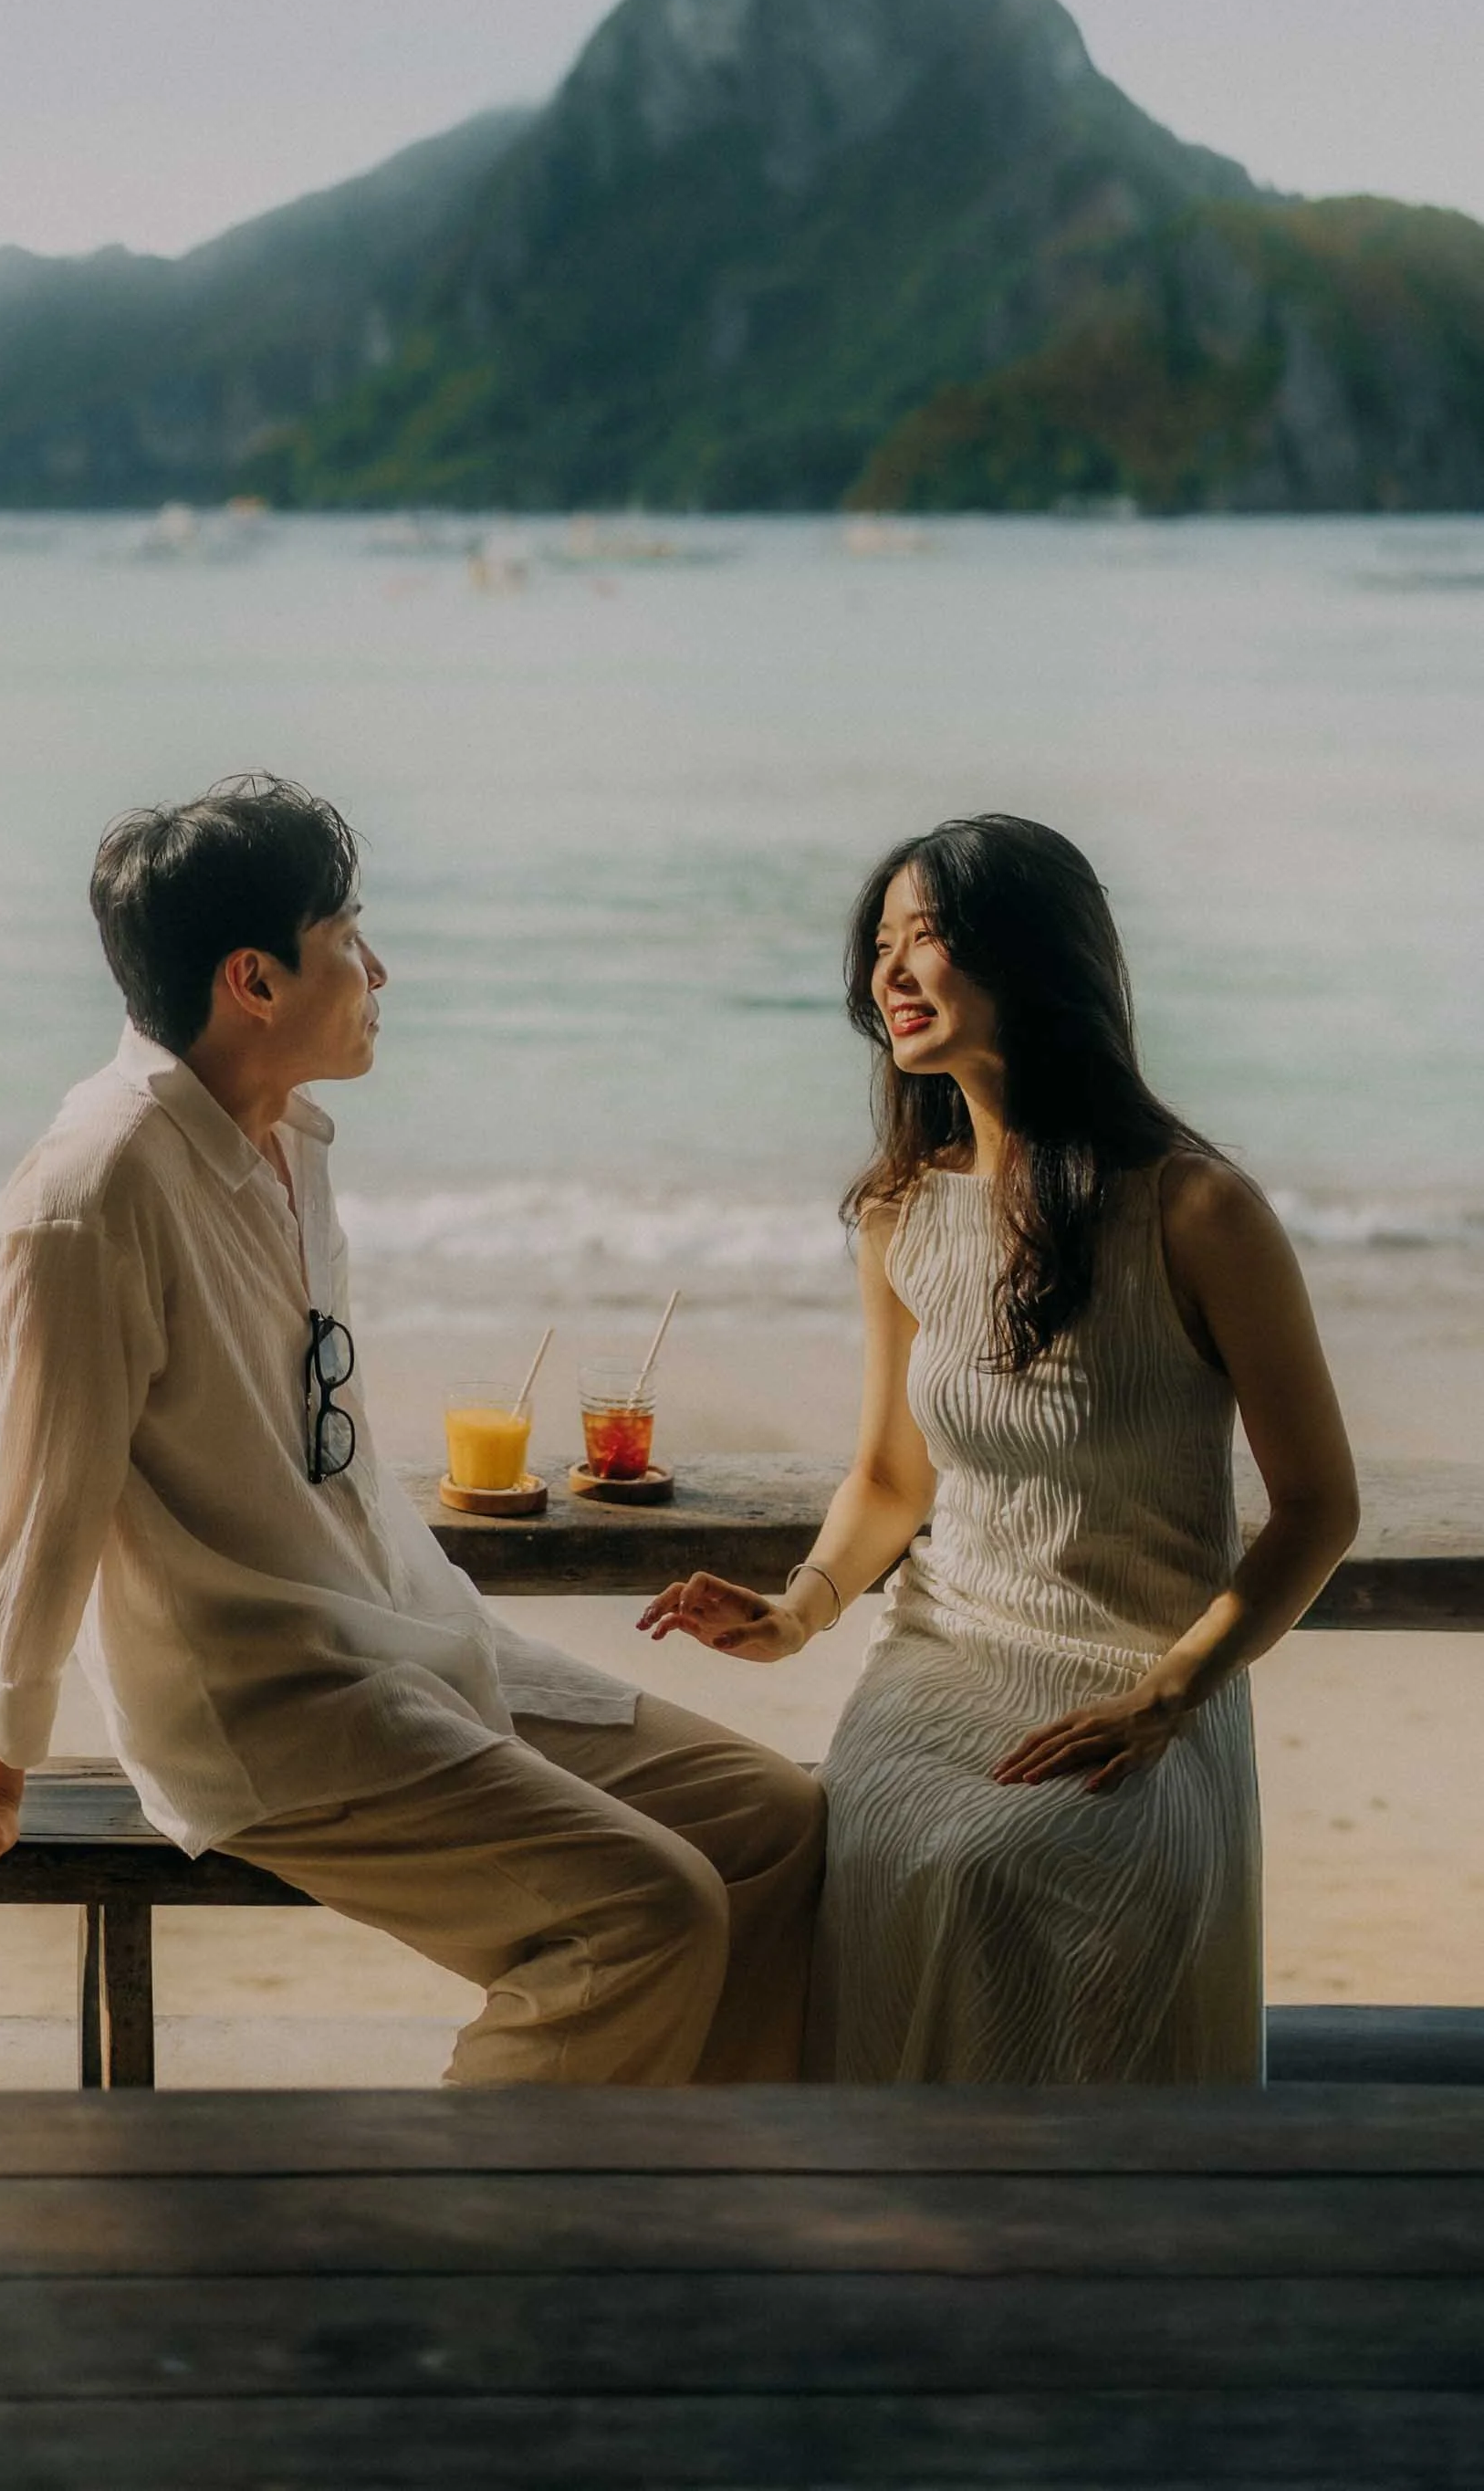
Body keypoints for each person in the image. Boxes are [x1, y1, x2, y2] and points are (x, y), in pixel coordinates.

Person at [0, 776, 823, 2084]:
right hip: (265, 1700)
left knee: (775, 1823)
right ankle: (479, 2206)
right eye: (345, 937)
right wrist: (0, 1765)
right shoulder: (93, 1191)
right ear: (254, 981)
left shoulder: (287, 1136)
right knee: (648, 1910)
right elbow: (47, 1492)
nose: (378, 969)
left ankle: (677, 2166)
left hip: (405, 1626)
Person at [641, 813, 1358, 2086]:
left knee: (1010, 1865)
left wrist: (1170, 1694)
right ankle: (909, 2193)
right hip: (943, 1656)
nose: (892, 972)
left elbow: (1318, 1508)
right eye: (881, 944)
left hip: (1144, 1682)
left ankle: (1049, 2197)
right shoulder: (905, 1211)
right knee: (882, 1839)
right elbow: (890, 1478)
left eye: (928, 936)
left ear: (1033, 957)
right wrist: (798, 1611)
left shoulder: (1198, 1211)